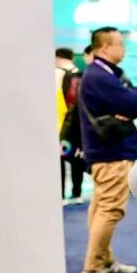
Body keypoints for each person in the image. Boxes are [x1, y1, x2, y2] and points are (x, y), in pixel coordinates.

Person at [77, 27, 137, 273]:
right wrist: (134, 94)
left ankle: (104, 260)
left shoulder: (101, 74)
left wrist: (130, 95)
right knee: (110, 209)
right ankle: (93, 269)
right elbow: (134, 103)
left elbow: (130, 102)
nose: (124, 48)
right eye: (120, 43)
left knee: (100, 208)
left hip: (106, 151)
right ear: (106, 47)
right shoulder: (100, 77)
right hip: (111, 152)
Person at [56, 47, 85, 203]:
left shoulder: (56, 74)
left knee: (60, 160)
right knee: (76, 157)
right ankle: (77, 193)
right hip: (76, 124)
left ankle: (60, 195)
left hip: (61, 124)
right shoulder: (81, 74)